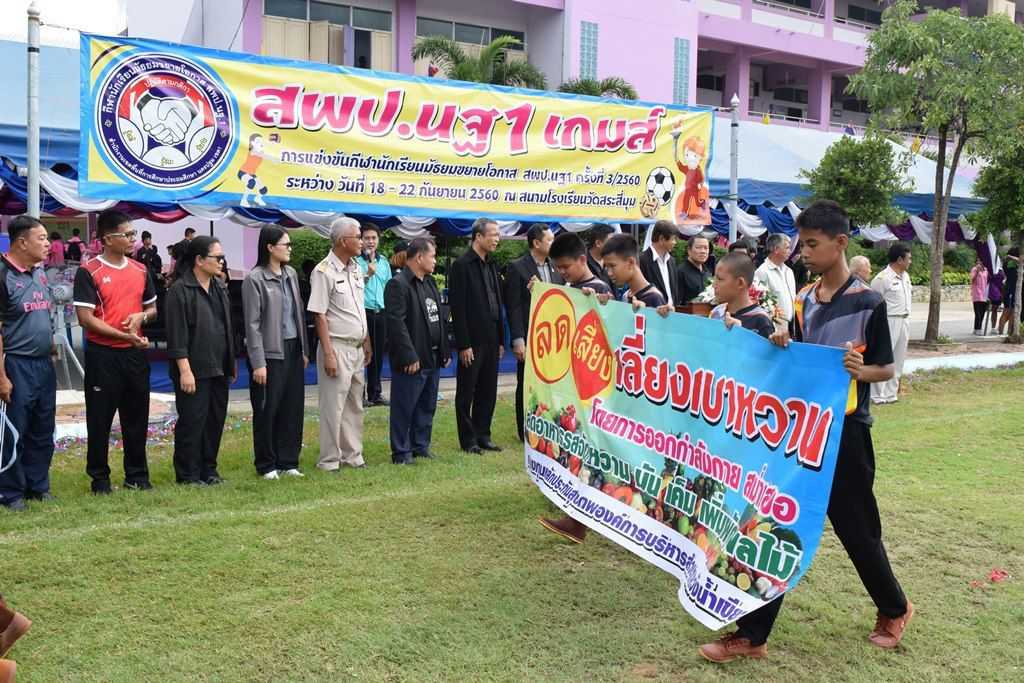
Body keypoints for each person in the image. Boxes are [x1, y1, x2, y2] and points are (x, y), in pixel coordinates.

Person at [700, 199, 911, 663]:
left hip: (847, 434)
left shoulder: (869, 302)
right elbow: (799, 355)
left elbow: (886, 367)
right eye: (802, 244)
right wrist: (782, 341)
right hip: (798, 432)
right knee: (773, 522)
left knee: (858, 532)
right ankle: (752, 635)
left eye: (812, 244)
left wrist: (860, 370)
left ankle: (894, 609)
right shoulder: (803, 299)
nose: (804, 252)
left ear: (840, 243)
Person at [73, 209, 157, 494]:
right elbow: (85, 319)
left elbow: (152, 308)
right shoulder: (89, 271)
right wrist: (123, 335)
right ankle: (100, 479)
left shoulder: (141, 270)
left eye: (134, 234)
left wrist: (141, 317)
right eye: (128, 234)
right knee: (100, 419)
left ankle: (137, 476)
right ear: (108, 239)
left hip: (134, 355)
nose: (133, 239)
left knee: (137, 416)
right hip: (103, 355)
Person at [538, 232, 613, 544]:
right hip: (572, 382)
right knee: (574, 448)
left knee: (587, 451)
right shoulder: (569, 289)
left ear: (583, 260)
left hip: (592, 385)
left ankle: (579, 519)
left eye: (566, 267)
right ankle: (575, 511)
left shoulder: (599, 291)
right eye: (558, 268)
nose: (562, 272)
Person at [165, 236, 235, 486]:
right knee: (192, 421)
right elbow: (177, 335)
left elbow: (227, 328)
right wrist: (185, 370)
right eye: (217, 257)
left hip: (219, 366)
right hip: (194, 369)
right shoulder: (180, 290)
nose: (221, 262)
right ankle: (188, 473)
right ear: (199, 260)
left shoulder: (219, 287)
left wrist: (230, 363)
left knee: (214, 420)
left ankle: (209, 469)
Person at [242, 226, 309, 480]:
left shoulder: (290, 274)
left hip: (293, 348)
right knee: (267, 409)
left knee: (292, 407)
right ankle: (266, 463)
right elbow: (252, 324)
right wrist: (258, 362)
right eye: (286, 244)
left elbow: (298, 313)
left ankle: (288, 460)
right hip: (270, 352)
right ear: (269, 247)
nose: (290, 249)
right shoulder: (255, 279)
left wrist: (304, 349)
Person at [0, 217, 57, 511]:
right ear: (22, 242)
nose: (48, 244)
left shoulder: (40, 272)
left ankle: (38, 486)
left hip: (43, 365)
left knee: (42, 427)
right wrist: (2, 377)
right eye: (42, 238)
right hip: (15, 364)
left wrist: (51, 347)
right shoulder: (2, 275)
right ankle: (9, 492)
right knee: (13, 430)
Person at [308, 218, 371, 472]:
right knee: (333, 407)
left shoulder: (355, 268)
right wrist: (328, 353)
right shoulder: (323, 271)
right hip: (336, 346)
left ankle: (353, 455)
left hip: (356, 347)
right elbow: (319, 314)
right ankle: (329, 460)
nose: (362, 241)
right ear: (344, 241)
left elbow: (359, 308)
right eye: (358, 237)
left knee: (354, 404)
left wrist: (367, 340)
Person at [385, 237, 450, 465]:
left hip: (432, 355)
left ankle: (420, 445)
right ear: (419, 257)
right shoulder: (398, 284)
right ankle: (401, 451)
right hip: (412, 358)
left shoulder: (430, 282)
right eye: (432, 256)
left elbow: (439, 318)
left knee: (427, 404)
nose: (435, 261)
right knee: (404, 406)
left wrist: (444, 349)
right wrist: (408, 355)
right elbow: (396, 323)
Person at [449, 218, 505, 454]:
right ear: (478, 236)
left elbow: (497, 304)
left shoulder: (492, 265)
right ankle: (468, 439)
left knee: (488, 390)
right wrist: (464, 344)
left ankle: (483, 434)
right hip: (472, 339)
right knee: (466, 391)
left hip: (492, 336)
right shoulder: (462, 265)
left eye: (498, 235)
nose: (497, 239)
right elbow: (458, 307)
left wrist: (501, 339)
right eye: (493, 234)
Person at [506, 223, 564, 442]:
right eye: (549, 240)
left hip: (552, 337)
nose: (553, 243)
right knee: (526, 383)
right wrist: (518, 339)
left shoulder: (555, 267)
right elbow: (513, 306)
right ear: (536, 243)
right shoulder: (517, 267)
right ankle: (525, 428)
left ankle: (547, 426)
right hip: (530, 335)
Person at [869, 243, 912, 405]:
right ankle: (877, 395)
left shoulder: (905, 276)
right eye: (908, 259)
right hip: (888, 320)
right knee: (883, 357)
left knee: (898, 358)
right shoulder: (882, 279)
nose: (910, 262)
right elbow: (873, 303)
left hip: (904, 319)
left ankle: (890, 393)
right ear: (900, 259)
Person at [355, 223, 392, 407]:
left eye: (373, 238)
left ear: (378, 240)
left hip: (381, 312)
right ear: (361, 240)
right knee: (362, 354)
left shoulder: (384, 262)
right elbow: (353, 287)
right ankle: (358, 394)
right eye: (367, 238)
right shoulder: (355, 262)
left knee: (377, 354)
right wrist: (368, 274)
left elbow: (389, 287)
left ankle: (375, 393)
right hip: (363, 312)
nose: (370, 241)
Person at [710, 252, 775, 338]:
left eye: (720, 279)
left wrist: (740, 333)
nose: (713, 285)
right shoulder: (717, 312)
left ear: (740, 283)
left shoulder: (761, 321)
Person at [601, 234, 667, 308]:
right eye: (606, 267)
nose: (609, 273)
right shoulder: (626, 296)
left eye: (612, 266)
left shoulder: (654, 298)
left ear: (631, 262)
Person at [754, 234, 797, 326]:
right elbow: (760, 302)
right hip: (774, 326)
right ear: (776, 249)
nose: (790, 251)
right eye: (787, 248)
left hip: (791, 325)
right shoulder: (762, 272)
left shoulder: (789, 271)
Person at [639, 220, 680, 307]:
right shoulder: (642, 260)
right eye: (673, 239)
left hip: (672, 312)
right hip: (652, 311)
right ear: (661, 239)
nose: (675, 243)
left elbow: (674, 291)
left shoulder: (672, 261)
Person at [677, 235, 712, 303]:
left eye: (706, 248)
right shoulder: (680, 272)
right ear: (689, 250)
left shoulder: (707, 272)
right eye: (698, 247)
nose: (703, 251)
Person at [997, 248, 1021, 334]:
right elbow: (1021, 261)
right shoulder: (1009, 263)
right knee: (1007, 311)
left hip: (1013, 290)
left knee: (1013, 312)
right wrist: (1010, 257)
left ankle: (1009, 332)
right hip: (1010, 290)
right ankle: (1001, 332)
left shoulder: (1015, 264)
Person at [584, 224, 616, 290]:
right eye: (610, 242)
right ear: (598, 243)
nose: (614, 245)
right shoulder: (583, 263)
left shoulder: (612, 261)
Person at [970, 257, 989, 336]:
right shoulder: (974, 269)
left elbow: (988, 281)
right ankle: (979, 329)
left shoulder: (986, 270)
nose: (979, 262)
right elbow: (972, 280)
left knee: (982, 312)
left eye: (980, 260)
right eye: (977, 261)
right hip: (977, 294)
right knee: (978, 313)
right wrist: (977, 272)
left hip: (985, 294)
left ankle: (976, 328)